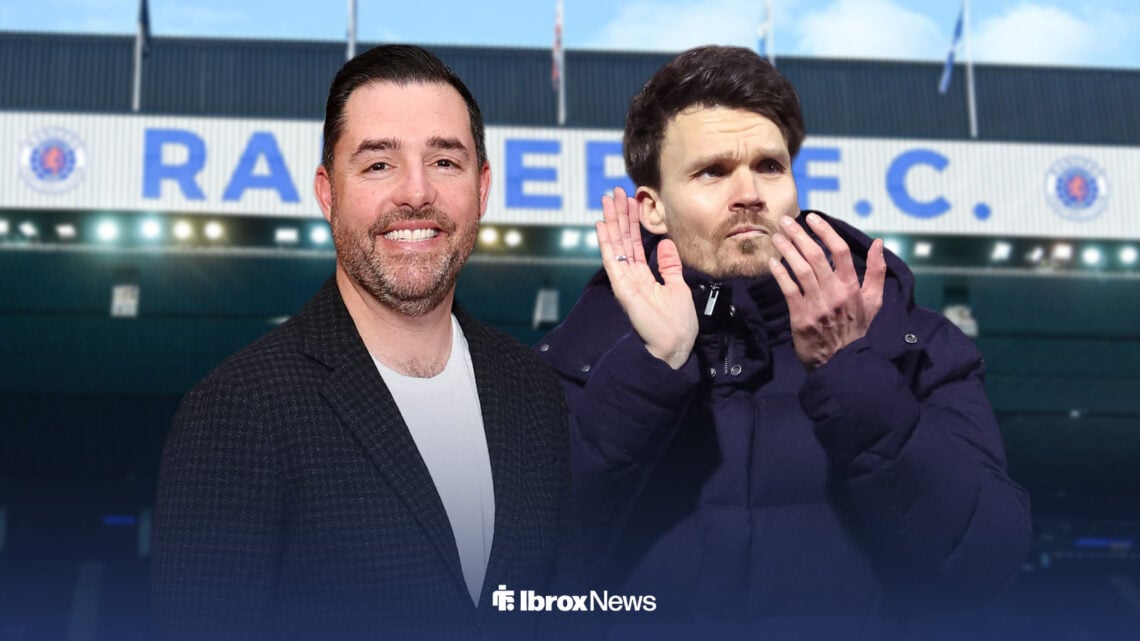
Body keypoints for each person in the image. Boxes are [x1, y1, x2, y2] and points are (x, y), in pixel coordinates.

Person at [537, 45, 1032, 640]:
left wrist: (850, 371)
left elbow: (983, 564)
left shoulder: (912, 341)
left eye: (770, 167)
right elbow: (524, 577)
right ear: (653, 209)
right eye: (712, 172)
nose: (749, 192)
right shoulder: (577, 357)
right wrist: (652, 368)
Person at [152, 44, 580, 641]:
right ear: (328, 194)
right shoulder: (238, 410)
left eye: (445, 162)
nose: (416, 193)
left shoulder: (532, 389)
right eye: (379, 165)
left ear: (482, 190)